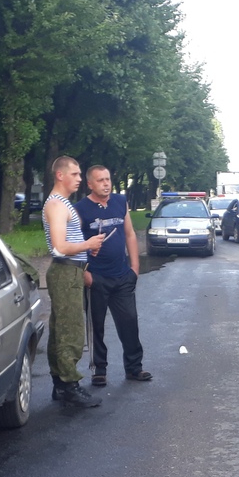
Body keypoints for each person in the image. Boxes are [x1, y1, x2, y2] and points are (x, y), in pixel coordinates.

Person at [75, 165, 151, 386]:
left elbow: (129, 234)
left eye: (108, 179)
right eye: (100, 180)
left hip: (122, 276)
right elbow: (76, 244)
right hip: (96, 278)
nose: (106, 184)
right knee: (96, 325)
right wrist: (85, 274)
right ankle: (99, 369)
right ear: (90, 184)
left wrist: (135, 268)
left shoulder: (120, 202)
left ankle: (134, 367)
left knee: (129, 321)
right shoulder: (80, 209)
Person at [43, 155, 106, 408]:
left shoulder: (62, 203)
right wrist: (87, 244)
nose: (80, 178)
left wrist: (86, 250)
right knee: (70, 331)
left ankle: (61, 384)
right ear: (60, 175)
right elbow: (59, 247)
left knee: (60, 330)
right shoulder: (57, 205)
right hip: (66, 271)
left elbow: (67, 244)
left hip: (71, 270)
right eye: (75, 174)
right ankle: (70, 385)